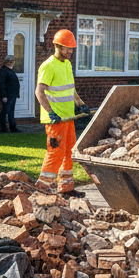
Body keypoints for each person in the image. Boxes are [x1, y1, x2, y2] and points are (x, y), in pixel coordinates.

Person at [36, 29, 90, 195]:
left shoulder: (66, 64)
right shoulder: (48, 66)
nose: (70, 52)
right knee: (55, 152)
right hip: (55, 120)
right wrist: (50, 112)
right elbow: (39, 91)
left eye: (72, 49)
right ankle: (43, 188)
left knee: (69, 152)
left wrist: (80, 104)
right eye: (67, 48)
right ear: (57, 46)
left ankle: (66, 188)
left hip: (68, 118)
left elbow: (70, 89)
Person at [0, 54, 20, 133]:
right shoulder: (4, 71)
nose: (12, 63)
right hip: (8, 95)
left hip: (12, 95)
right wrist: (4, 96)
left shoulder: (8, 70)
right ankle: (3, 129)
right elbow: (1, 84)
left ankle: (12, 127)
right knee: (5, 112)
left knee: (10, 112)